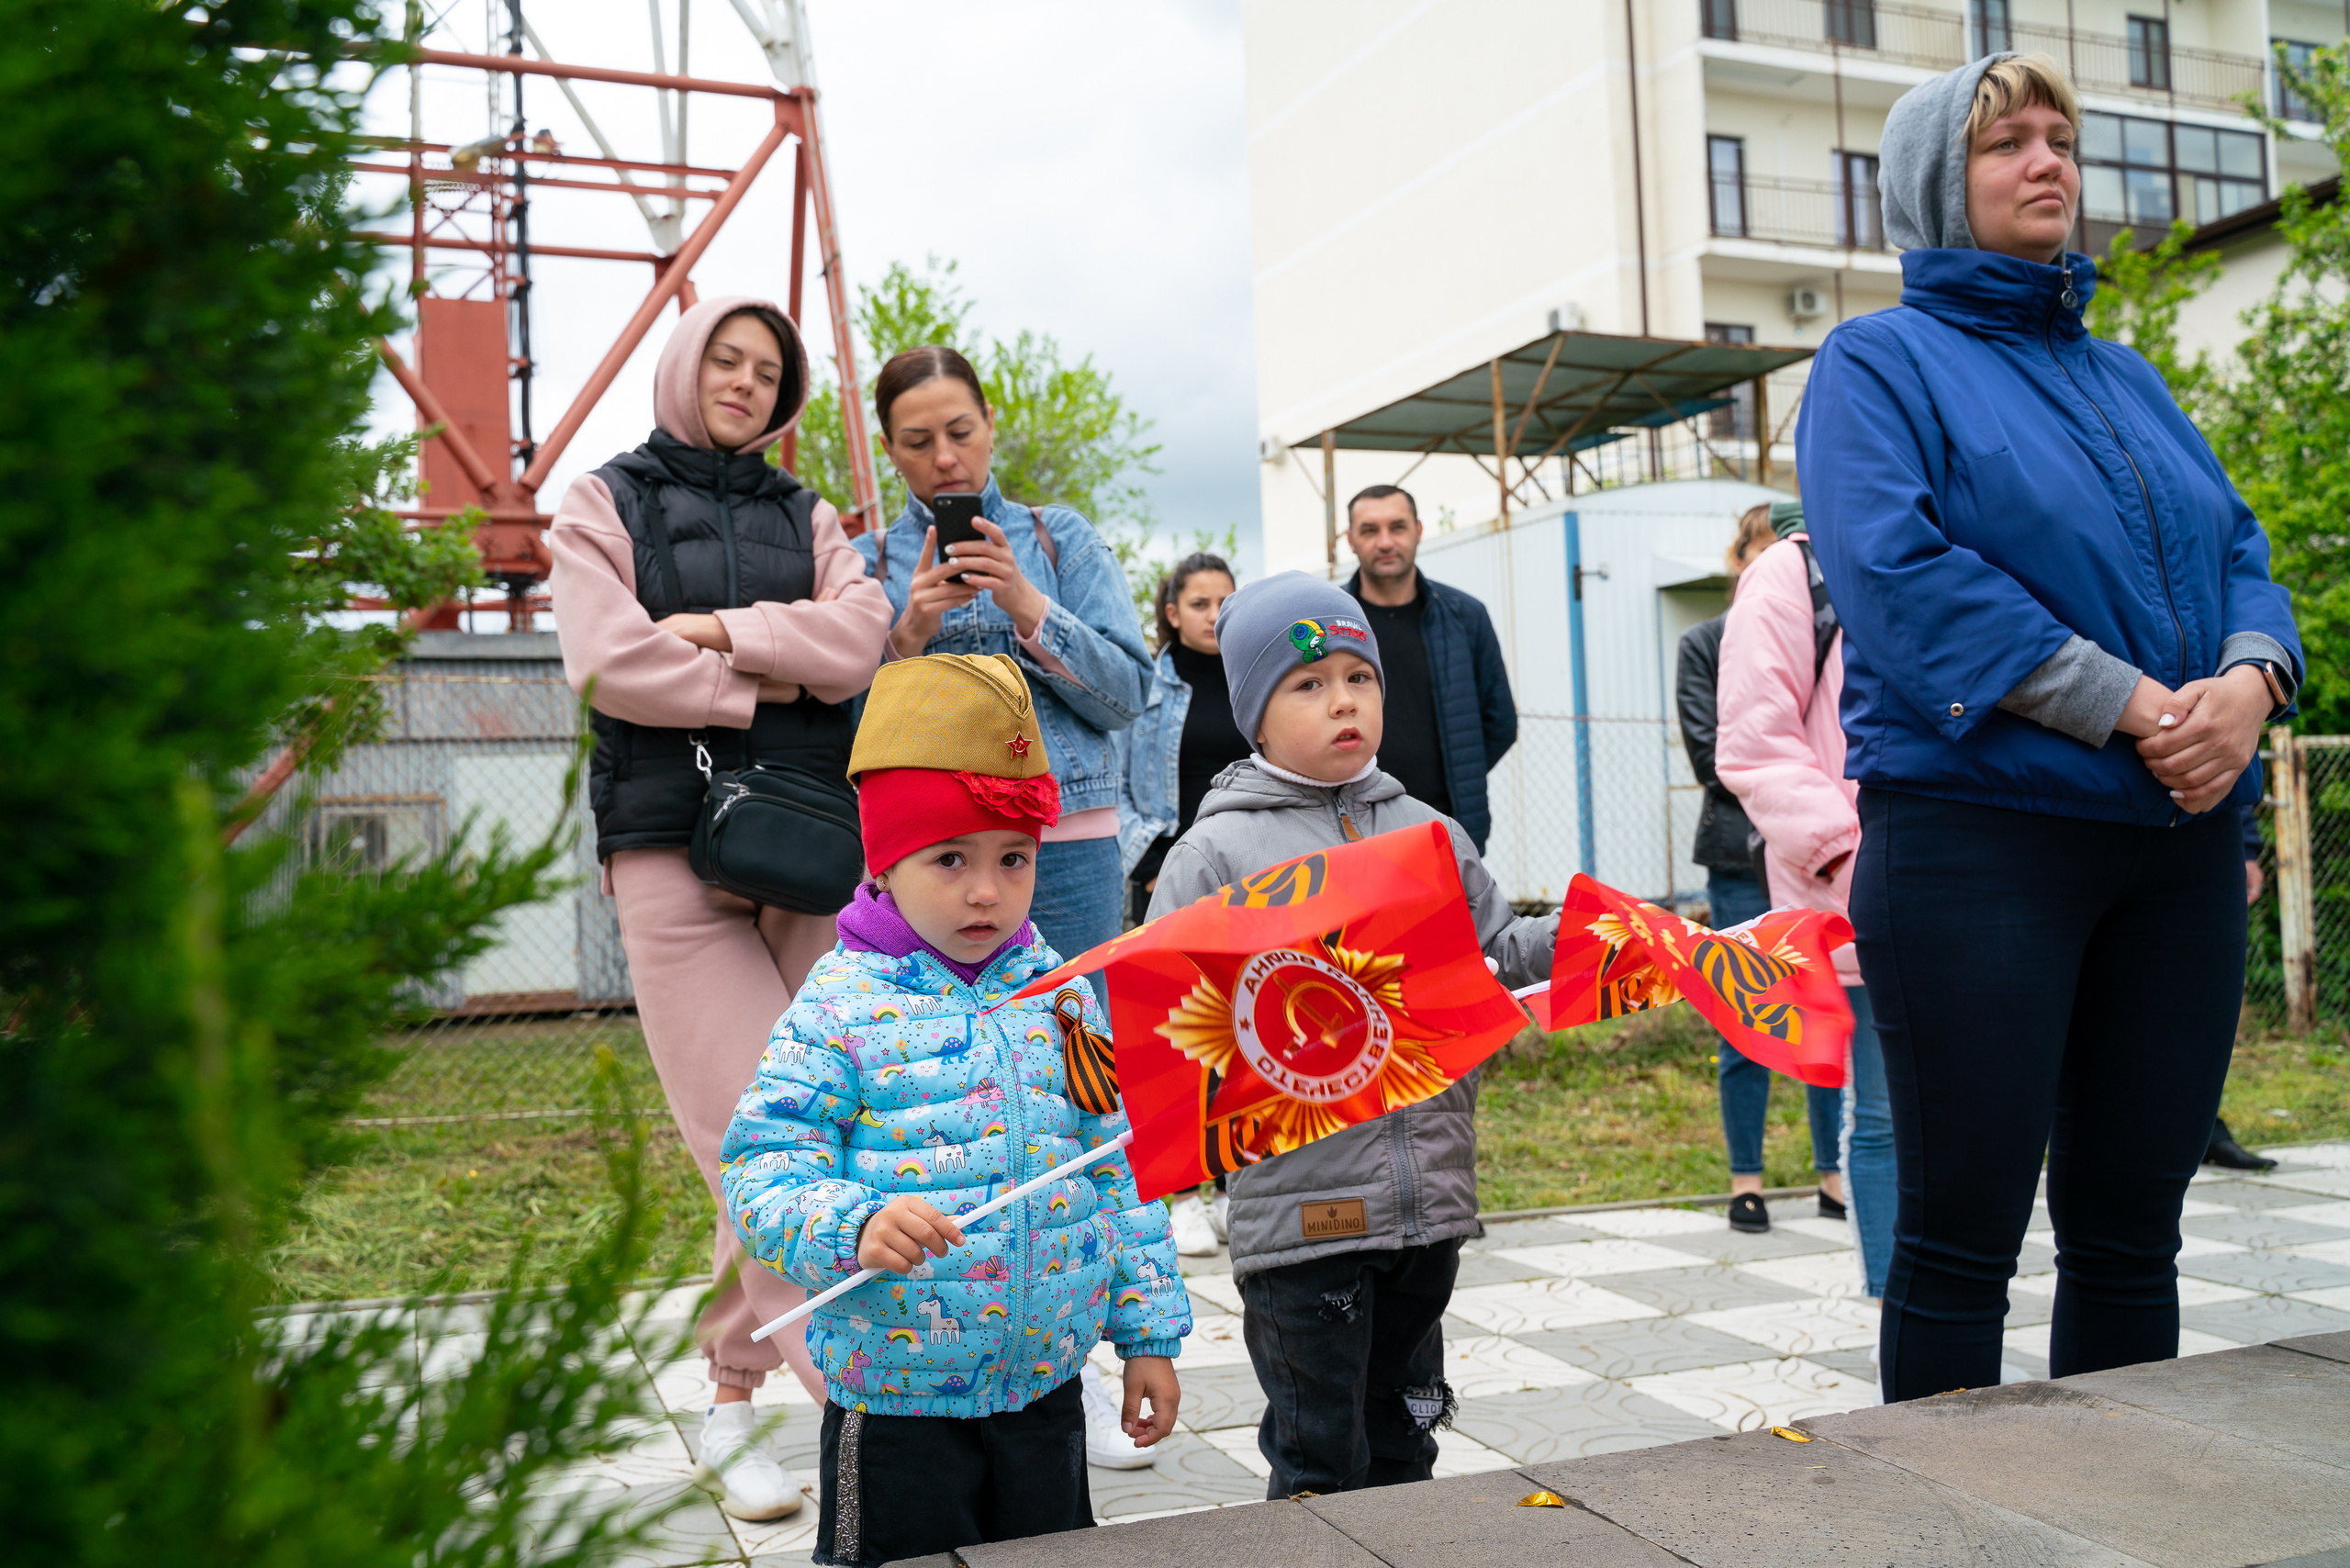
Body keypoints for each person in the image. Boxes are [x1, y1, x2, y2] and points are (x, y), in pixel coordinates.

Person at [1799, 52, 2302, 1400]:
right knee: (1964, 1243)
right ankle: (1950, 1533)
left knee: (2137, 1233)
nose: (2049, 163)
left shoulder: (2127, 376)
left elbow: (2242, 547)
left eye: (2061, 139)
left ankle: (2119, 1517)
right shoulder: (1877, 363)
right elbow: (1900, 580)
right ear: (1933, 187)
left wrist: (2250, 684)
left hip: (2178, 846)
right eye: (2007, 143)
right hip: (1983, 843)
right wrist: (2140, 706)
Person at [717, 654, 1188, 1567]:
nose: (986, 889)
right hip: (897, 1407)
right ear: (885, 862)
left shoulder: (1061, 998)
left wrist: (1146, 1333)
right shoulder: (836, 1009)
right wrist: (852, 1223)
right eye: (950, 858)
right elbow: (762, 1171)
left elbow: (1115, 1167)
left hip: (1045, 1389)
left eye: (1013, 857)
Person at [549, 295, 892, 1518]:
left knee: (829, 1124)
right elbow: (606, 662)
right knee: (758, 1139)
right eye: (727, 361)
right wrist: (761, 678)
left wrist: (708, 629)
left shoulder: (813, 513)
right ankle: (875, 1405)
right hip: (668, 848)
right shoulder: (601, 502)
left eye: (767, 369)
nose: (745, 382)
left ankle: (732, 1399)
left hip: (810, 842)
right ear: (687, 368)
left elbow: (861, 638)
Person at [1147, 573, 1558, 1498]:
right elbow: (1172, 1027)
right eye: (1308, 683)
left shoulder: (1431, 835)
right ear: (1254, 710)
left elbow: (1498, 956)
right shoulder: (1214, 857)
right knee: (1319, 1457)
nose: (1342, 700)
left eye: (1358, 677)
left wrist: (1585, 936)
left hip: (1427, 1208)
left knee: (1408, 1443)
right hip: (1303, 1225)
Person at [855, 347, 1151, 991]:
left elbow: (1129, 696)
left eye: (960, 432)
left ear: (990, 421)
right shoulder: (864, 564)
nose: (944, 458)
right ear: (888, 448)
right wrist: (906, 639)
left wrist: (1029, 605)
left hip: (1062, 842)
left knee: (1081, 1054)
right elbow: (845, 740)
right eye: (917, 441)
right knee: (936, 1066)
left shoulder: (1059, 539)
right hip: (922, 849)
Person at [1716, 498, 1897, 1298]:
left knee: (1970, 1117)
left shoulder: (1952, 544)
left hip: (1970, 874)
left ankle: (1959, 1294)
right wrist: (1848, 857)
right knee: (1885, 1114)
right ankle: (1899, 1302)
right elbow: (1751, 742)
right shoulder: (1789, 578)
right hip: (1854, 883)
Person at [1677, 502, 1844, 1236]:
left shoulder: (1839, 618)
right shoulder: (1703, 642)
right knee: (1747, 1019)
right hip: (1743, 852)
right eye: (1765, 541)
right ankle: (1746, 1177)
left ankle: (1832, 1170)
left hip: (1829, 852)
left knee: (1832, 1011)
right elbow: (1717, 751)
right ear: (1740, 555)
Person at [1113, 552, 1247, 1259]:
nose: (1215, 616)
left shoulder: (1254, 678)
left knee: (1237, 1032)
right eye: (1200, 603)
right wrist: (1147, 853)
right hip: (1168, 881)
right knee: (1177, 1040)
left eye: (1226, 601)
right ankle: (1179, 1196)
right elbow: (1122, 780)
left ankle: (1233, 1188)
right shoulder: (1147, 688)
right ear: (1171, 612)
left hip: (1245, 881)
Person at [1341, 485, 1517, 854]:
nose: (1386, 542)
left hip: (1448, 827)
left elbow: (1500, 722)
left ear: (1418, 531)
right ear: (1350, 540)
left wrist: (1457, 773)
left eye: (1398, 527)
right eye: (1370, 530)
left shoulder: (1465, 616)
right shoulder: (1332, 623)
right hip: (1352, 830)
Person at [2208, 814, 2279, 1170]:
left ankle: (2207, 1129)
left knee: (2193, 1012)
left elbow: (2235, 762)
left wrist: (2245, 847)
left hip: (2195, 834)